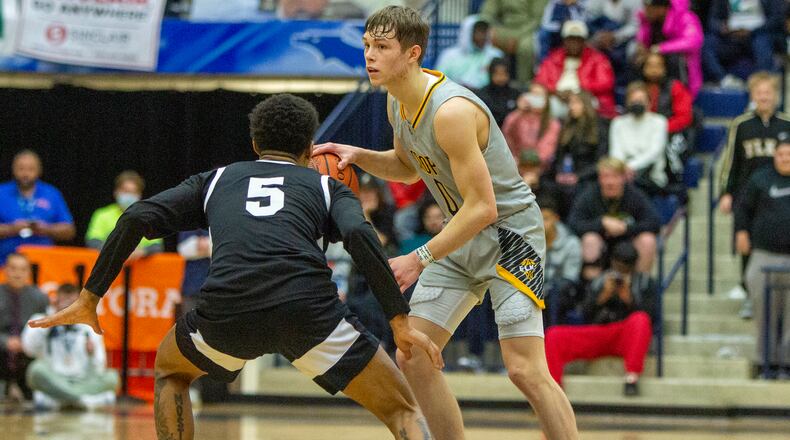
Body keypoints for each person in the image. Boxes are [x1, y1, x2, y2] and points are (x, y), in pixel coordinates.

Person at [29, 94, 443, 440]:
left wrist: (90, 296)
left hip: (228, 311)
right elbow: (360, 237)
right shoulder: (327, 184)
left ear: (254, 143)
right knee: (402, 411)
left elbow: (136, 217)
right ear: (309, 148)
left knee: (171, 373)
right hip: (309, 312)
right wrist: (398, 319)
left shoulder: (216, 179)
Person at [314, 6, 579, 439]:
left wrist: (419, 258)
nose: (370, 56)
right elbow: (407, 167)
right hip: (462, 232)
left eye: (382, 47)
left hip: (510, 234)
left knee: (524, 370)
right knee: (414, 354)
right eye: (367, 46)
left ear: (413, 53)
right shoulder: (396, 102)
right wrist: (359, 156)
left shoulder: (451, 111)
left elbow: (484, 208)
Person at [544, 241, 658, 396]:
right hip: (598, 332)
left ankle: (631, 378)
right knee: (554, 334)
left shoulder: (645, 283)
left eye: (626, 268)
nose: (621, 272)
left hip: (625, 335)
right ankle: (552, 393)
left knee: (641, 319)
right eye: (619, 267)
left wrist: (628, 299)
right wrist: (602, 296)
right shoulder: (600, 281)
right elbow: (583, 314)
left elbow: (650, 318)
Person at [719, 71, 790, 315]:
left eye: (768, 93)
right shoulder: (741, 125)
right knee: (746, 242)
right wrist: (726, 192)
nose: (764, 97)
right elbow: (730, 162)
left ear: (776, 96)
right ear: (752, 96)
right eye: (759, 93)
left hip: (781, 193)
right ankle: (749, 293)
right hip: (747, 195)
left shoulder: (787, 124)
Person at [735, 133, 790, 373]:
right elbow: (743, 209)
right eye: (781, 154)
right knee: (764, 311)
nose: (785, 158)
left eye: (789, 154)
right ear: (774, 155)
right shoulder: (760, 179)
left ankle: (787, 363)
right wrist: (741, 232)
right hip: (763, 254)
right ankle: (764, 360)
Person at [22, 284, 119, 410]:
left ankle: (62, 400)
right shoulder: (41, 318)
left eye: (72, 303)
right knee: (35, 371)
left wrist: (92, 353)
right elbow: (28, 349)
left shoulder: (88, 324)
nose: (68, 307)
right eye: (64, 302)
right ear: (55, 301)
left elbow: (100, 366)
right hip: (55, 378)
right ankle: (83, 401)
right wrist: (52, 319)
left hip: (83, 381)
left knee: (112, 378)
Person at [568, 158, 661, 279]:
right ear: (599, 179)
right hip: (600, 246)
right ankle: (593, 289)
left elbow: (654, 222)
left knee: (648, 240)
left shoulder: (634, 195)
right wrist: (601, 223)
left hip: (628, 246)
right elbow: (573, 223)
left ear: (623, 178)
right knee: (590, 239)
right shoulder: (589, 195)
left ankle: (640, 288)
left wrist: (626, 228)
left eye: (615, 177)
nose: (610, 182)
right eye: (605, 177)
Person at [0, 150, 75, 264]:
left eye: (31, 169)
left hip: (44, 263)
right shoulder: (2, 192)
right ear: (13, 169)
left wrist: (45, 229)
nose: (25, 173)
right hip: (6, 262)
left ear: (39, 170)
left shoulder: (51, 193)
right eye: (21, 168)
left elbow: (69, 231)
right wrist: (12, 228)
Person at [535, 20, 617, 119]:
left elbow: (606, 83)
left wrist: (578, 92)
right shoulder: (553, 58)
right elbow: (540, 81)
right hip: (557, 98)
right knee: (537, 104)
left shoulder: (597, 59)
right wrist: (556, 92)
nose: (574, 43)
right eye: (570, 39)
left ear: (584, 41)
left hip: (586, 98)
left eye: (578, 40)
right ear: (564, 41)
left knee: (585, 105)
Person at [703, 0, 786, 88]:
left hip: (758, 33)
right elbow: (712, 21)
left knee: (762, 42)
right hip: (731, 36)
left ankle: (762, 85)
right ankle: (724, 79)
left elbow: (777, 19)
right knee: (707, 43)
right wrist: (723, 28)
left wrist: (753, 30)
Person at [0, 254, 49, 402]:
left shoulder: (40, 298)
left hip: (27, 355)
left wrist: (26, 343)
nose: (17, 274)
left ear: (28, 272)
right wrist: (5, 341)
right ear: (5, 270)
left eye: (22, 269)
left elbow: (45, 329)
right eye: (13, 268)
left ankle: (28, 388)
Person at [86, 170, 163, 260]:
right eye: (125, 191)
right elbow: (92, 241)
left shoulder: (149, 217)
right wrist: (116, 251)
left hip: (139, 270)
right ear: (116, 192)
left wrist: (141, 252)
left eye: (133, 192)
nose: (129, 195)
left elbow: (156, 246)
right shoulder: (102, 215)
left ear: (139, 195)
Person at [609, 81, 669, 195]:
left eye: (641, 100)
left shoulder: (659, 122)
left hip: (651, 177)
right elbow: (615, 152)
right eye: (633, 101)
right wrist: (623, 168)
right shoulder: (618, 123)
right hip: (621, 174)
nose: (637, 103)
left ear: (649, 102)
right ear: (627, 102)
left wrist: (631, 167)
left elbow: (654, 152)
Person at [635, 0, 704, 97]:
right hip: (655, 64)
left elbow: (693, 41)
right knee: (635, 57)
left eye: (649, 7)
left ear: (662, 9)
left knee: (675, 58)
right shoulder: (648, 20)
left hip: (681, 70)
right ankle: (639, 97)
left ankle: (678, 96)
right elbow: (643, 42)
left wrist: (661, 48)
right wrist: (641, 45)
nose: (645, 10)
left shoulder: (685, 17)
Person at [479, 0, 549, 83]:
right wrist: (488, 27)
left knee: (526, 47)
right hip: (504, 27)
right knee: (482, 35)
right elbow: (487, 12)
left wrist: (516, 36)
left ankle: (523, 83)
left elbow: (537, 20)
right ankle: (485, 82)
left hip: (527, 30)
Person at [540, 195, 583, 327]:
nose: (540, 224)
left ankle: (552, 339)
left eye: (545, 219)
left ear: (556, 219)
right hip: (532, 291)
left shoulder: (571, 243)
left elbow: (570, 278)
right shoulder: (526, 241)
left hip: (559, 295)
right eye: (536, 219)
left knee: (557, 291)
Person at [551, 91, 607, 194]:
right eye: (570, 103)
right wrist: (559, 172)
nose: (572, 107)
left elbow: (601, 161)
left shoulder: (599, 127)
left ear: (586, 105)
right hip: (567, 174)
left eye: (576, 103)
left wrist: (578, 176)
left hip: (589, 177)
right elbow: (560, 155)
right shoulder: (567, 126)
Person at [434, 16, 504, 89]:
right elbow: (439, 83)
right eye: (478, 32)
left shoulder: (495, 55)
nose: (483, 36)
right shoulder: (449, 56)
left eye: (484, 31)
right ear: (467, 33)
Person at [502, 83, 561, 165]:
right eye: (533, 95)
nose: (536, 99)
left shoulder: (552, 123)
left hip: (540, 168)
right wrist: (519, 111)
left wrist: (530, 165)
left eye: (540, 96)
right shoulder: (518, 117)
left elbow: (547, 149)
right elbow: (507, 135)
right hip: (516, 164)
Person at [586, 0, 642, 75]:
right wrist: (601, 35)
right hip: (600, 35)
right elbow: (589, 18)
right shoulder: (596, 2)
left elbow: (635, 26)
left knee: (633, 49)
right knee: (587, 44)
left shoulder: (634, 2)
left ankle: (626, 79)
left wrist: (615, 36)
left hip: (625, 39)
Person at [475, 58, 521, 127]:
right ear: (490, 74)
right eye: (497, 74)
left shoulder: (515, 93)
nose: (501, 77)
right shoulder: (482, 95)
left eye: (504, 74)